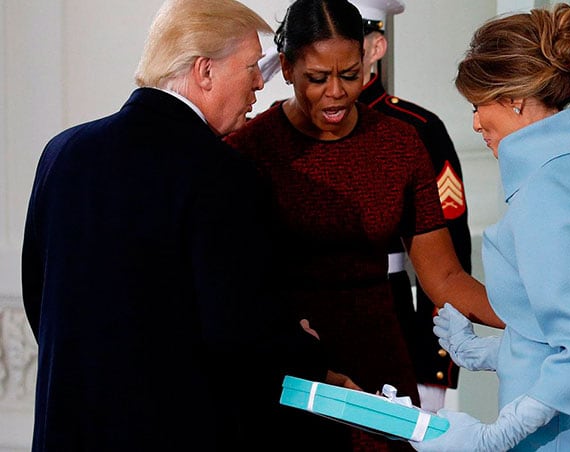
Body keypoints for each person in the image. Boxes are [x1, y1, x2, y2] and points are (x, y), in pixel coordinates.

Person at [20, 1, 354, 450]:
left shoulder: (62, 153)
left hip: (68, 428)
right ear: (205, 71)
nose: (260, 81)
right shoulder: (222, 172)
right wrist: (304, 348)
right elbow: (236, 329)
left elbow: (37, 298)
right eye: (252, 66)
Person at [224, 0, 501, 449]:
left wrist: (529, 319)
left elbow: (445, 277)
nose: (336, 92)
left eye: (350, 74)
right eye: (317, 78)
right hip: (288, 365)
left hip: (380, 364)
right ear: (288, 69)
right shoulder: (248, 151)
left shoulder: (400, 142)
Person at [410, 4, 570, 451]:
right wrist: (488, 352)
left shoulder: (545, 191)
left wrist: (494, 437)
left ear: (513, 98)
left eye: (479, 104)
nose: (475, 122)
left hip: (558, 437)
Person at [353, 0, 472, 412]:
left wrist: (434, 369)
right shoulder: (284, 128)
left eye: (353, 39)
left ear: (376, 46)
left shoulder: (417, 129)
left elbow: (449, 258)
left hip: (393, 314)